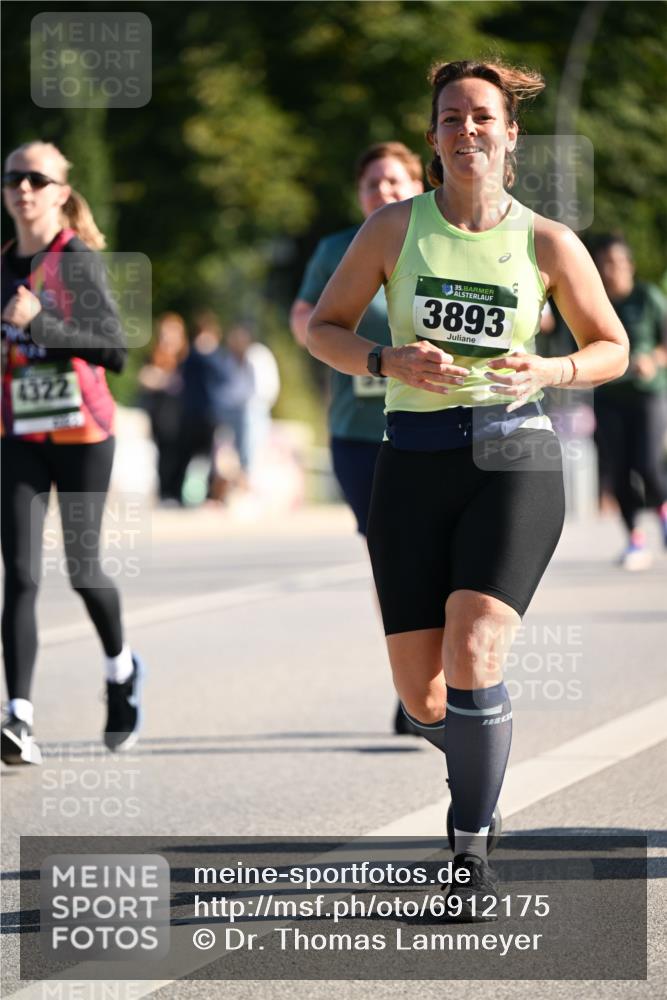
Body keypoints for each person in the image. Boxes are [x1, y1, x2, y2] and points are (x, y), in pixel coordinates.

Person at [307, 60, 628, 917]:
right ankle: (479, 747)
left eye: (482, 116)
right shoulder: (389, 230)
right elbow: (323, 330)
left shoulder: (548, 241)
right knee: (422, 696)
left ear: (509, 133)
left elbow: (612, 346)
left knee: (476, 642)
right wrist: (385, 357)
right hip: (409, 455)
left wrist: (552, 366)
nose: (466, 130)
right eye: (450, 117)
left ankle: (469, 857)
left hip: (512, 455)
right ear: (433, 136)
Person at [1, 141, 145, 765]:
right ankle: (18, 721)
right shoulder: (2, 264)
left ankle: (121, 671)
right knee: (21, 576)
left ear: (61, 191)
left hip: (84, 435)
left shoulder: (75, 260)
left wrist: (38, 326)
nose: (23, 187)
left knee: (83, 573)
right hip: (19, 436)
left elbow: (114, 349)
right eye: (13, 178)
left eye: (37, 178)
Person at [290, 142, 424, 735]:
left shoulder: (439, 242)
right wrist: (351, 349)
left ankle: (448, 669)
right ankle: (411, 684)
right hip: (358, 434)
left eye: (394, 182)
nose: (383, 193)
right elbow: (305, 317)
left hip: (429, 423)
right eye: (372, 185)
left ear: (418, 184)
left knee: (439, 554)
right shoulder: (335, 249)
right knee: (389, 555)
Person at [589, 233, 667, 569]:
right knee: (618, 470)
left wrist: (654, 358)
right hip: (608, 396)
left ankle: (663, 513)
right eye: (606, 264)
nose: (612, 270)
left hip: (647, 395)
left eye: (619, 263)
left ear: (630, 266)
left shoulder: (647, 296)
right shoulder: (595, 302)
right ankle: (635, 539)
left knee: (647, 464)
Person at [173, 313, 254, 503]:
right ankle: (183, 494)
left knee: (211, 456)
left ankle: (209, 495)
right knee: (188, 455)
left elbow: (226, 379)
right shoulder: (195, 356)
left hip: (210, 415)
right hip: (193, 413)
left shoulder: (214, 357)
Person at [137, 312, 188, 503]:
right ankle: (165, 492)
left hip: (181, 414)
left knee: (180, 453)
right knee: (164, 454)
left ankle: (176, 492)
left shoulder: (185, 358)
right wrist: (165, 379)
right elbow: (144, 377)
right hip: (160, 413)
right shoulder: (154, 356)